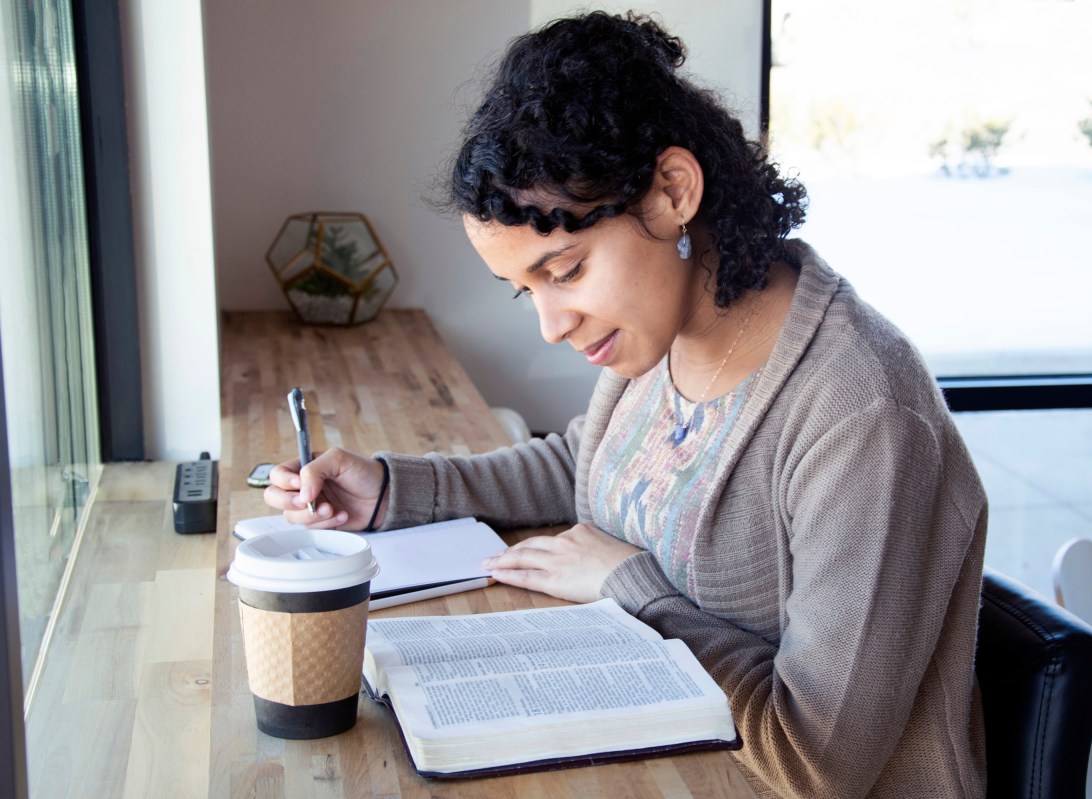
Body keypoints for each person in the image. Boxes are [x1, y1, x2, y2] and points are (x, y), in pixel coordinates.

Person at [264, 11, 987, 798]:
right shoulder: (669, 330)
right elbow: (599, 458)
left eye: (565, 270)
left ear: (673, 192)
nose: (550, 324)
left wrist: (628, 588)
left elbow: (817, 756)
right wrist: (396, 487)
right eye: (526, 289)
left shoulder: (859, 416)